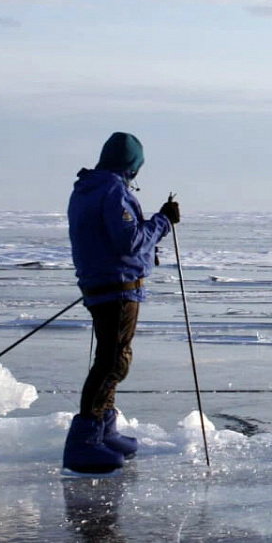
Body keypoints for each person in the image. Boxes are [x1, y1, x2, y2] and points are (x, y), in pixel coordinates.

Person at [64, 132, 180, 474]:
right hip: (116, 287)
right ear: (131, 165)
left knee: (112, 357)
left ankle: (103, 429)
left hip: (103, 281)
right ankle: (84, 440)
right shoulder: (112, 190)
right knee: (113, 360)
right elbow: (129, 239)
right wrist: (162, 221)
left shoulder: (87, 188)